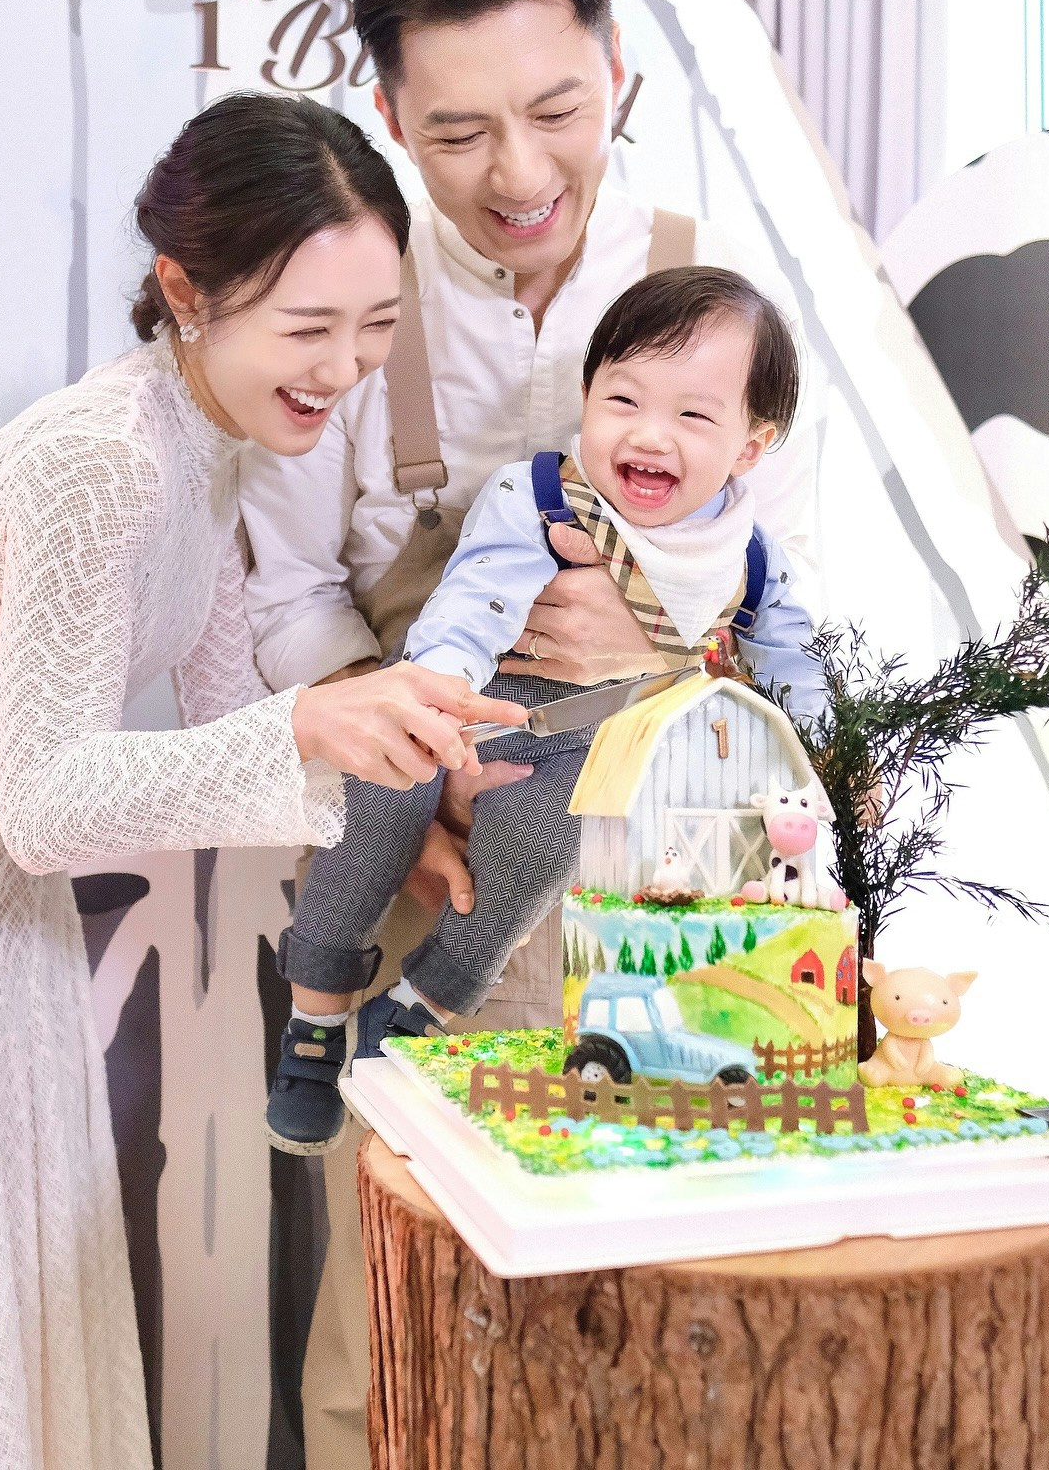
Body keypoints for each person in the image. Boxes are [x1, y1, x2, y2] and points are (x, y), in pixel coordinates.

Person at [0, 94, 523, 1470]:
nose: (344, 369)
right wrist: (314, 731)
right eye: (309, 327)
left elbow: (224, 718)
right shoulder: (95, 460)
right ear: (186, 290)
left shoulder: (208, 449)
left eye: (374, 328)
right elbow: (48, 804)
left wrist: (396, 822)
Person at [237, 0, 824, 1465]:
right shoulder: (348, 300)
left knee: (666, 1306)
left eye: (559, 111)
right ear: (387, 114)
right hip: (424, 852)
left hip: (671, 877)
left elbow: (797, 606)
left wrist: (662, 639)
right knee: (404, 1310)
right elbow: (288, 590)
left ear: (617, 67)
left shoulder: (724, 282)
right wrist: (415, 777)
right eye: (458, 132)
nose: (519, 174)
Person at [266, 266, 822, 1151]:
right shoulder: (544, 496)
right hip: (462, 701)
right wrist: (438, 700)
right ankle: (314, 1016)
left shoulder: (749, 557)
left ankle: (419, 1003)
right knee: (373, 804)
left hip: (582, 749)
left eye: (693, 416)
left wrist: (833, 755)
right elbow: (473, 602)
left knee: (548, 843)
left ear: (750, 447)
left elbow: (796, 665)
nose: (649, 434)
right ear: (587, 397)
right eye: (623, 400)